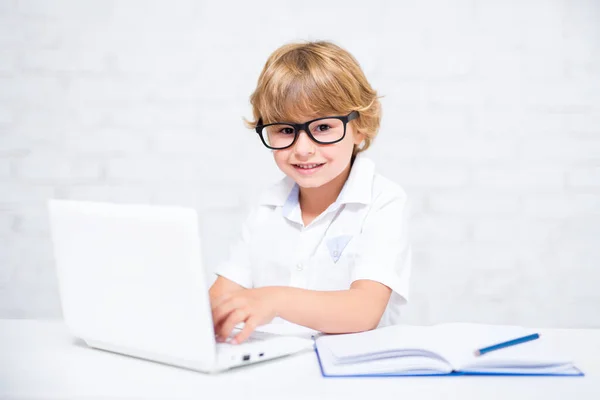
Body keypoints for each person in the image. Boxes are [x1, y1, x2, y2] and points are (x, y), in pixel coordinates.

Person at [209, 40, 411, 344]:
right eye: (286, 130)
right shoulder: (267, 207)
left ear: (360, 126)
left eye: (323, 128)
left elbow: (363, 310)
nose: (302, 149)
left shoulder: (383, 201)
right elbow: (220, 297)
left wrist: (273, 300)